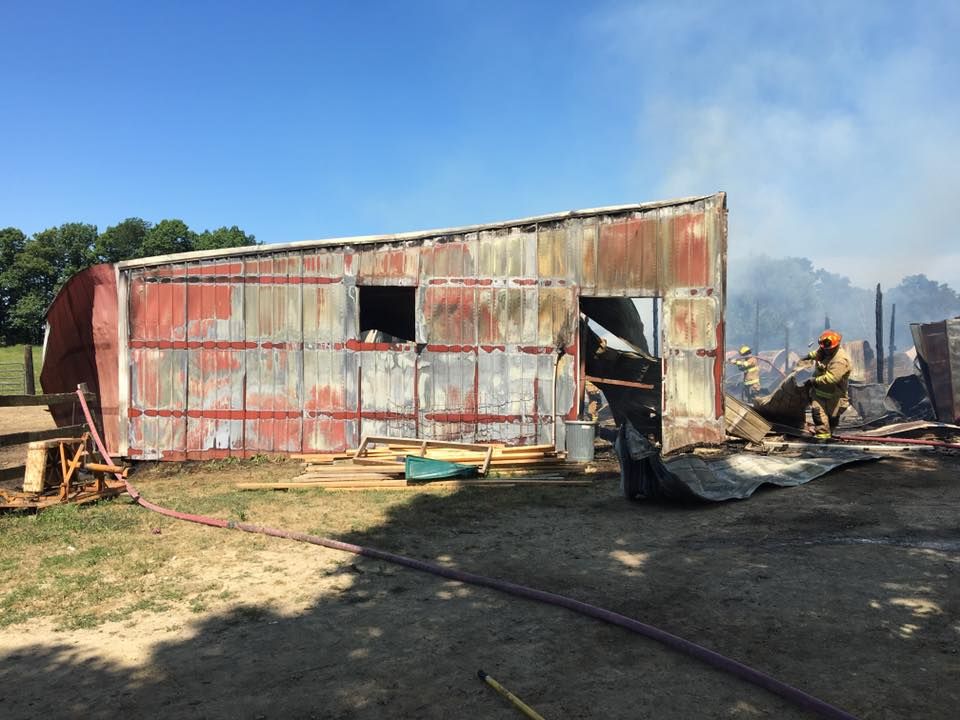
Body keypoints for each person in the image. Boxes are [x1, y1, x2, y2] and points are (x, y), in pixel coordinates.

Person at [802, 329, 852, 440]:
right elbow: (819, 352)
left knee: (832, 419)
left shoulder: (840, 360)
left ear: (835, 346)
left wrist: (813, 381)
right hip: (818, 395)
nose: (824, 350)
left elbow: (831, 379)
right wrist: (808, 356)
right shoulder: (826, 349)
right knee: (818, 416)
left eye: (827, 349)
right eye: (823, 347)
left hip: (834, 396)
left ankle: (828, 441)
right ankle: (822, 441)